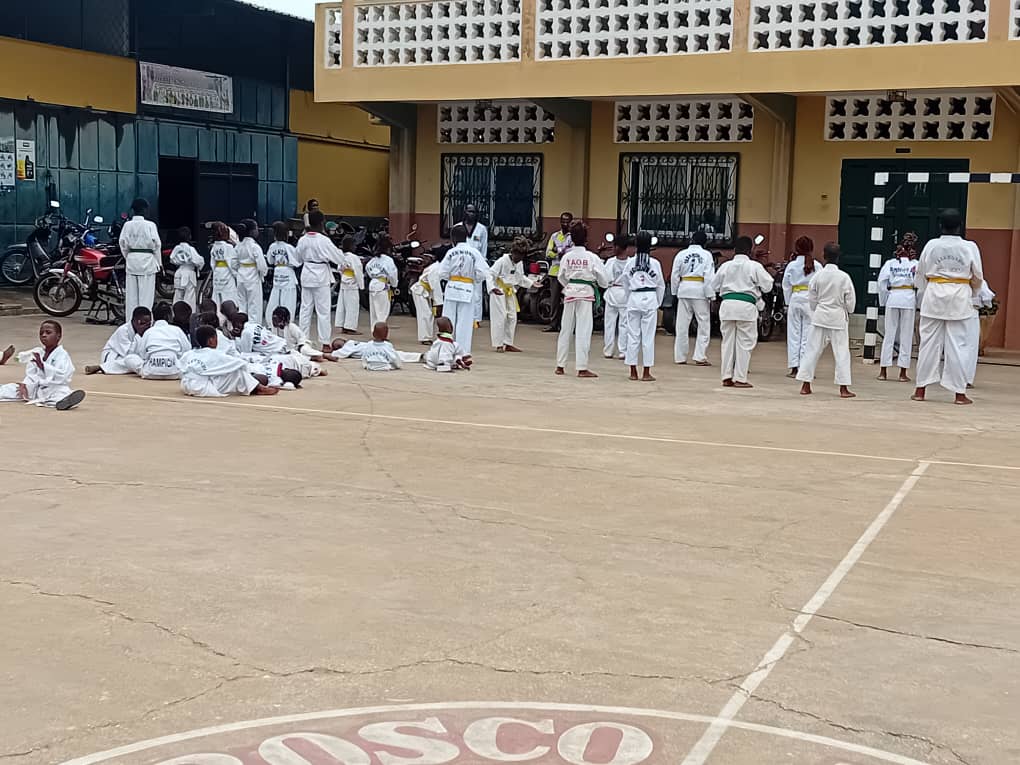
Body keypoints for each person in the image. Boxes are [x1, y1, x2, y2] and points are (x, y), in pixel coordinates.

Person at [912, 209, 983, 405]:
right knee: (958, 346)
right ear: (960, 226)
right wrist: (972, 292)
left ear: (940, 225)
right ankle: (959, 393)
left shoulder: (931, 245)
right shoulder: (969, 247)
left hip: (934, 295)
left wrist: (926, 291)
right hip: (959, 297)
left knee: (928, 344)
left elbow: (920, 273)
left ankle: (920, 389)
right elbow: (978, 276)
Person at [711, 236, 774, 388]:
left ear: (734, 250)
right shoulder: (754, 266)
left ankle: (726, 376)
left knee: (727, 342)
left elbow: (714, 286)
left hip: (727, 306)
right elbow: (768, 286)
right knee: (745, 343)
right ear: (750, 251)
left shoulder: (725, 266)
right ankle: (740, 378)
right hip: (746, 307)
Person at [796, 243, 857, 398]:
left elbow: (812, 300)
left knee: (812, 350)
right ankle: (843, 388)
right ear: (838, 257)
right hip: (838, 317)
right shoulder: (844, 277)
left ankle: (805, 385)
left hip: (820, 315)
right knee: (842, 352)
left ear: (824, 256)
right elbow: (850, 302)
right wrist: (847, 310)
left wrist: (817, 309)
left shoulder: (817, 276)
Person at [555, 221, 609, 378]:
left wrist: (570, 285)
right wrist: (597, 284)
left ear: (571, 238)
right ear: (586, 238)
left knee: (566, 329)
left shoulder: (567, 257)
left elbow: (561, 277)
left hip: (570, 292)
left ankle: (560, 365)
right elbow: (604, 280)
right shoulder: (592, 257)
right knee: (583, 330)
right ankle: (581, 367)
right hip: (585, 294)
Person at [0, 320, 84, 410]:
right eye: (41, 333)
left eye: (48, 332)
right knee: (10, 389)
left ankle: (65, 401)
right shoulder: (37, 352)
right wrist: (25, 384)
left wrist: (43, 366)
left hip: (53, 387)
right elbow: (31, 373)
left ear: (58, 336)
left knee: (61, 394)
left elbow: (63, 375)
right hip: (34, 387)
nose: (44, 335)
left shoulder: (62, 355)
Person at [437, 224, 492, 355]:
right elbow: (484, 272)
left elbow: (442, 272)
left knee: (448, 319)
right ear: (467, 236)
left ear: (453, 238)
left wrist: (451, 278)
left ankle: (446, 349)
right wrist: (474, 279)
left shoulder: (451, 252)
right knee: (465, 322)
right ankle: (463, 352)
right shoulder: (474, 252)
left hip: (452, 287)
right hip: (467, 288)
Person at [180, 325, 278, 397]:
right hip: (203, 388)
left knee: (220, 372)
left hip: (186, 386)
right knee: (238, 372)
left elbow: (181, 368)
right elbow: (240, 364)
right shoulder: (216, 354)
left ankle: (254, 386)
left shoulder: (189, 354)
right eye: (215, 338)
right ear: (211, 341)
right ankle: (258, 388)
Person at [294, 209, 343, 352]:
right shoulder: (324, 240)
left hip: (307, 273)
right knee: (323, 311)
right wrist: (344, 261)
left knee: (305, 309)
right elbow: (337, 257)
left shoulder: (302, 240)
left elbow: (297, 259)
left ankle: (303, 341)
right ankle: (325, 343)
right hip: (321, 275)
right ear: (322, 223)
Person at [623, 231, 666, 381]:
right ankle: (646, 373)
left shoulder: (630, 263)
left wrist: (629, 298)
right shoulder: (655, 263)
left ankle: (633, 371)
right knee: (648, 337)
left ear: (635, 244)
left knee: (633, 336)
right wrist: (657, 302)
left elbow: (625, 283)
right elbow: (661, 285)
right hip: (650, 298)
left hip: (634, 297)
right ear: (650, 245)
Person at [877, 232, 919, 382]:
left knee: (889, 334)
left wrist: (883, 300)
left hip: (893, 297)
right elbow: (921, 285)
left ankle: (883, 371)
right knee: (906, 335)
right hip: (908, 298)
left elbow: (881, 283)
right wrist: (918, 303)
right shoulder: (916, 264)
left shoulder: (890, 263)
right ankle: (902, 372)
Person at [671, 230, 716, 366]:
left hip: (684, 289)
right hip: (700, 290)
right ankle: (699, 356)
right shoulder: (706, 255)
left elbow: (674, 275)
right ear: (705, 243)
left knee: (682, 326)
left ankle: (680, 357)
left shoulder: (681, 254)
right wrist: (711, 295)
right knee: (703, 324)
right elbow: (709, 277)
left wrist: (675, 292)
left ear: (692, 240)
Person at [782, 236, 822, 378]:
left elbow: (786, 285)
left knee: (793, 334)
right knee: (808, 336)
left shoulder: (791, 265)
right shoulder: (817, 266)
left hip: (795, 298)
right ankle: (805, 368)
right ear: (811, 248)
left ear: (796, 249)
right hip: (810, 300)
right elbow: (821, 285)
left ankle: (794, 368)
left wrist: (787, 302)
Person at [489, 236, 536, 352]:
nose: (519, 259)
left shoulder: (519, 263)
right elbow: (490, 274)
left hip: (510, 291)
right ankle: (499, 344)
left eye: (521, 257)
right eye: (518, 256)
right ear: (513, 252)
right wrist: (492, 288)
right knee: (500, 317)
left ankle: (508, 343)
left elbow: (520, 278)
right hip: (499, 291)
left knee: (512, 317)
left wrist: (532, 283)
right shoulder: (501, 261)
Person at [126, 301, 191, 380]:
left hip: (150, 373)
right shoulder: (177, 330)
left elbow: (142, 354)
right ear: (169, 316)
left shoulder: (148, 332)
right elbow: (187, 350)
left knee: (129, 358)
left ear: (153, 317)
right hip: (175, 372)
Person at [119, 197, 161, 317]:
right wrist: (159, 263)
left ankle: (130, 322)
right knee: (146, 297)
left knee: (131, 298)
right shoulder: (150, 225)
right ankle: (145, 321)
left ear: (133, 210)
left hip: (132, 261)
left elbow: (122, 244)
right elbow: (157, 245)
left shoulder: (127, 225)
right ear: (144, 210)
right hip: (147, 262)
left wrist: (129, 257)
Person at [86, 306, 152, 375]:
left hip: (128, 356)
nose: (146, 327)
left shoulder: (146, 331)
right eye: (143, 323)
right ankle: (101, 367)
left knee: (136, 362)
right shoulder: (123, 330)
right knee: (130, 362)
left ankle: (104, 368)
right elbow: (128, 353)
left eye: (149, 324)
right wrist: (138, 336)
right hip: (114, 355)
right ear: (134, 320)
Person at [265, 221, 298, 326]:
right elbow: (297, 262)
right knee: (288, 299)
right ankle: (287, 321)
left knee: (275, 297)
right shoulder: (289, 247)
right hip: (287, 272)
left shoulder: (272, 246)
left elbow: (270, 260)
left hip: (277, 272)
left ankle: (271, 321)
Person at [602, 236, 631, 360]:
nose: (613, 248)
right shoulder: (611, 261)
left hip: (624, 292)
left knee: (623, 324)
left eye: (615, 246)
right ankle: (610, 350)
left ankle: (622, 350)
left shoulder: (630, 262)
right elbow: (605, 278)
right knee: (610, 324)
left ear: (619, 247)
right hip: (613, 292)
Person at [271, 306, 336, 361]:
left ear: (284, 319)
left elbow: (302, 338)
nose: (275, 322)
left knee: (304, 350)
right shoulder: (274, 329)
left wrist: (300, 347)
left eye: (277, 320)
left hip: (300, 346)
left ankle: (323, 355)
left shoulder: (292, 327)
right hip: (288, 350)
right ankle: (312, 357)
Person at [544, 212, 573, 331]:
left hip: (568, 273)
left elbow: (572, 252)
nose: (565, 224)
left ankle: (567, 325)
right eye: (563, 221)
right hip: (555, 272)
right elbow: (548, 253)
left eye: (567, 221)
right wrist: (558, 253)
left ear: (571, 222)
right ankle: (553, 324)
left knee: (568, 299)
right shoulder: (555, 236)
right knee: (554, 300)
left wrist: (558, 250)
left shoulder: (573, 237)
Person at [461, 204, 489, 325]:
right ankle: (463, 317)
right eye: (469, 211)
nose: (471, 214)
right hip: (462, 265)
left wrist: (481, 265)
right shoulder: (458, 228)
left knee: (477, 293)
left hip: (476, 264)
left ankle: (476, 319)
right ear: (465, 212)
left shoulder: (481, 229)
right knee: (462, 291)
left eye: (473, 212)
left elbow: (484, 249)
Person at [234, 219, 267, 320]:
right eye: (256, 228)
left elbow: (233, 263)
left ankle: (241, 324)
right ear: (251, 231)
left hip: (241, 276)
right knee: (254, 305)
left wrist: (238, 272)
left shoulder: (238, 246)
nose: (258, 230)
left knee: (242, 304)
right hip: (253, 277)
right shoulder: (255, 247)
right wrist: (262, 274)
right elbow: (262, 266)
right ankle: (254, 325)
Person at [365, 236, 399, 326]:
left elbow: (367, 268)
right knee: (382, 313)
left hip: (373, 284)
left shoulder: (373, 260)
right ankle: (381, 332)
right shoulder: (388, 260)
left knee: (374, 312)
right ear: (388, 248)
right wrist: (394, 285)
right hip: (382, 286)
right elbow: (392, 274)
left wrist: (374, 276)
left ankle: (374, 331)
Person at [334, 234, 365, 334]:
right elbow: (358, 272)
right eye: (354, 245)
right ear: (351, 246)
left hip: (344, 282)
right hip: (352, 283)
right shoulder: (354, 258)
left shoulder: (341, 256)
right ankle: (350, 327)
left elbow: (339, 269)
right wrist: (361, 286)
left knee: (342, 306)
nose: (355, 247)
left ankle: (342, 325)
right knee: (352, 306)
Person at [168, 227, 204, 311]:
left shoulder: (176, 248)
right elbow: (199, 261)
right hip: (189, 273)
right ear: (189, 236)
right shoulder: (190, 249)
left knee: (178, 296)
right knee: (189, 297)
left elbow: (172, 259)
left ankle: (176, 313)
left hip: (179, 272)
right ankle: (189, 315)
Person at [410, 257, 442, 345]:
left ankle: (427, 336)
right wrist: (438, 302)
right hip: (420, 291)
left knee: (428, 314)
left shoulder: (436, 267)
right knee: (425, 314)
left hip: (425, 291)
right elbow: (435, 286)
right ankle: (425, 338)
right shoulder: (435, 269)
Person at [210, 222, 240, 307]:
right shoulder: (228, 247)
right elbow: (232, 263)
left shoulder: (214, 247)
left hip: (217, 272)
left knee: (217, 294)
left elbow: (212, 263)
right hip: (227, 272)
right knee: (228, 294)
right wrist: (236, 274)